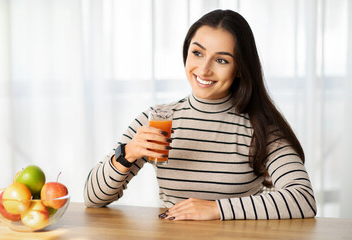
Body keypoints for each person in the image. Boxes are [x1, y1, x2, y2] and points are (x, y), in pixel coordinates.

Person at [84, 9, 316, 221]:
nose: (204, 69)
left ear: (239, 69)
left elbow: (303, 199)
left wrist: (216, 209)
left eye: (221, 60)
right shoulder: (158, 119)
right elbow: (92, 199)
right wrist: (129, 153)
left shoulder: (261, 126)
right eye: (197, 53)